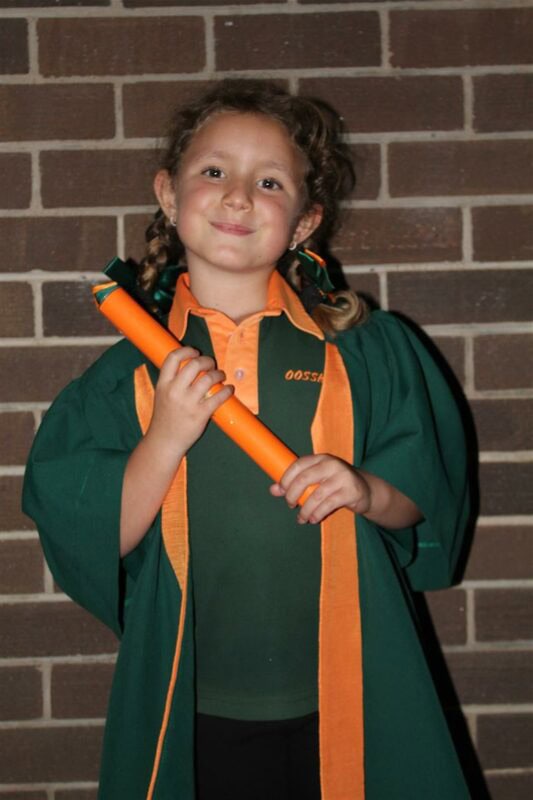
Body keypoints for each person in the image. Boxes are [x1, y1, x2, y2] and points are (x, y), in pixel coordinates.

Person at [23, 80, 470, 800]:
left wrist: (363, 489)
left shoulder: (363, 353)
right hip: (198, 701)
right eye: (213, 171)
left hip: (351, 683)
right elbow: (92, 532)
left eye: (268, 182)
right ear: (168, 196)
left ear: (303, 222)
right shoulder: (126, 378)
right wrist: (164, 438)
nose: (237, 197)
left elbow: (419, 492)